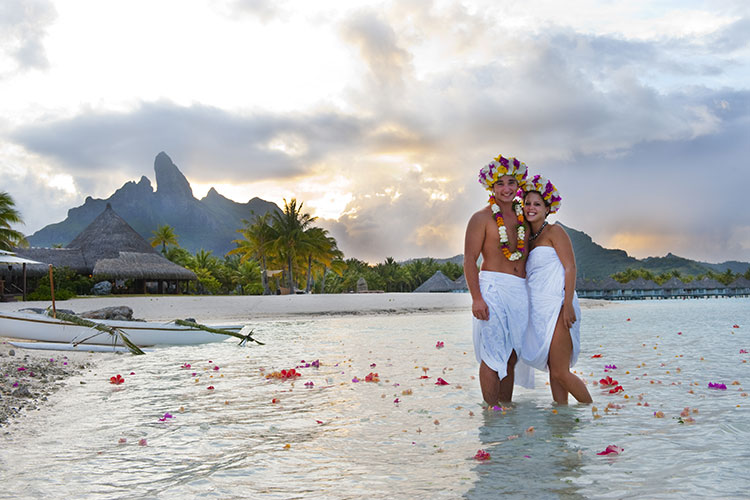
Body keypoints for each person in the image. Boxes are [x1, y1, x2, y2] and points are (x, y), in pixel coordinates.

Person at [464, 154, 535, 405]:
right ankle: (492, 414)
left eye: (511, 183)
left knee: (513, 354)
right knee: (493, 352)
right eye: (500, 183)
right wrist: (477, 299)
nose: (506, 188)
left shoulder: (526, 218)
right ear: (491, 187)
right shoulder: (481, 218)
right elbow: (470, 260)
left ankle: (506, 409)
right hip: (493, 287)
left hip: (520, 290)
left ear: (518, 186)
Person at [521, 175, 592, 404]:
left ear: (547, 209)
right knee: (554, 370)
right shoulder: (527, 239)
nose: (531, 208)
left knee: (561, 371)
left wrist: (568, 304)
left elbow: (570, 267)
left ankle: (592, 414)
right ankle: (561, 420)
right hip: (539, 310)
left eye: (537, 204)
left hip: (558, 303)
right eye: (528, 203)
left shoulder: (555, 232)